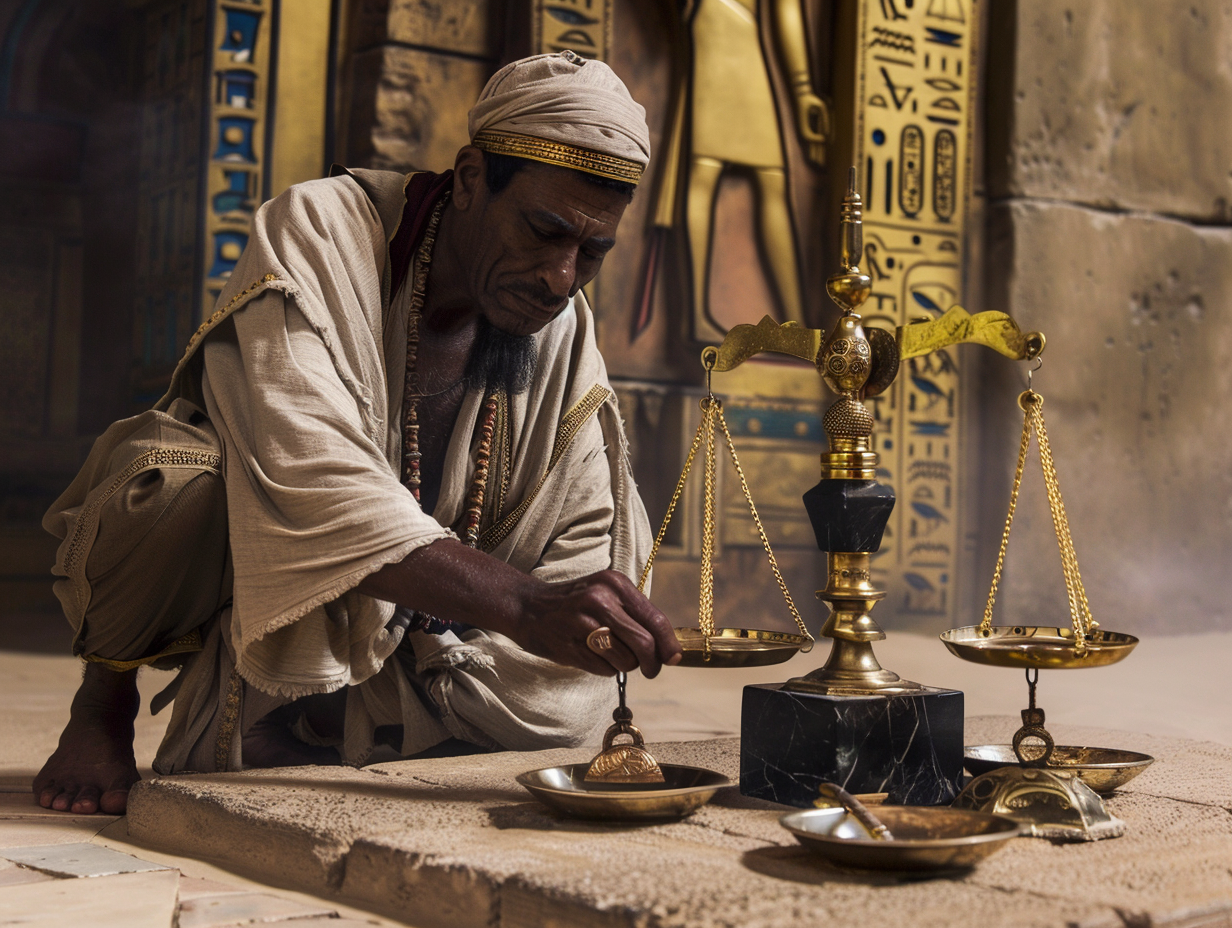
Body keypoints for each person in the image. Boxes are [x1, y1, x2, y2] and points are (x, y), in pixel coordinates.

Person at [35, 51, 682, 816]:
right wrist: (527, 609)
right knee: (169, 487)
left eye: (592, 253)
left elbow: (588, 517)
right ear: (471, 179)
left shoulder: (560, 319)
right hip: (279, 569)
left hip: (439, 626)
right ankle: (102, 705)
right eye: (543, 232)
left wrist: (577, 614)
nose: (559, 277)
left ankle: (327, 717)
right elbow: (309, 474)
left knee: (590, 642)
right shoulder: (320, 228)